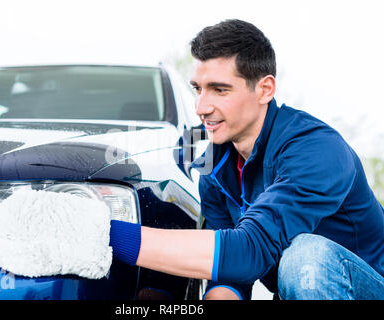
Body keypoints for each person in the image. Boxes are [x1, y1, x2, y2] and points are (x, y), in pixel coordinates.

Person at [109, 19, 384, 300]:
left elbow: (250, 250)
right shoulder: (214, 171)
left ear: (265, 89)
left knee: (307, 256)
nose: (201, 107)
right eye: (198, 89)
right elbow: (231, 274)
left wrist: (101, 235)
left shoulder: (318, 150)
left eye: (220, 90)